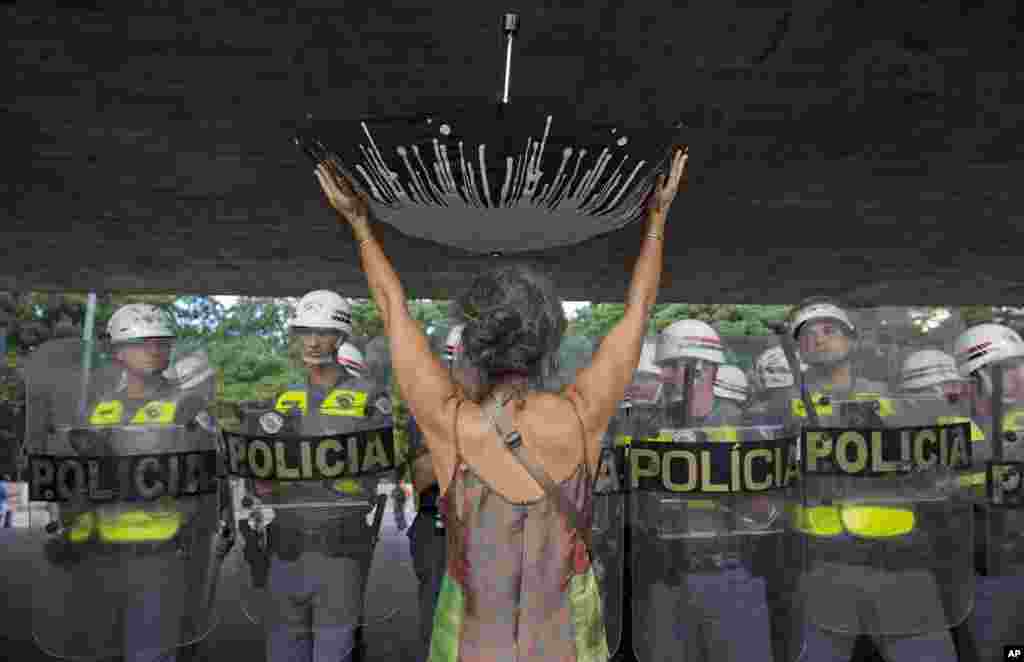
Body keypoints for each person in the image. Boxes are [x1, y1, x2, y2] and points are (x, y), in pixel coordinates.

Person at [313, 146, 689, 660]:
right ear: (549, 343)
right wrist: (657, 217)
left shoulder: (451, 423)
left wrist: (358, 222)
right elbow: (638, 310)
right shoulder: (582, 417)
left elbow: (391, 306)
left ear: (473, 345)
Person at [30, 304, 230, 662]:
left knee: (152, 653)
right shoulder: (98, 411)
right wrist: (69, 526)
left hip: (162, 554)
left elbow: (211, 479)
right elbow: (81, 483)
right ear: (118, 352)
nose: (154, 349)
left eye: (162, 342)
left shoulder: (189, 408)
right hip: (103, 554)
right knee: (101, 649)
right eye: (142, 342)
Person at [780, 298, 960, 662]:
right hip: (821, 569)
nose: (818, 338)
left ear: (852, 341)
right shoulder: (781, 408)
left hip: (900, 567)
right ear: (797, 348)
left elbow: (937, 444)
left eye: (830, 330)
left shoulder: (890, 398)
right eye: (808, 334)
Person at [240, 289, 391, 662]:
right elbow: (264, 478)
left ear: (340, 337)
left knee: (334, 654)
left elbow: (377, 472)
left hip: (340, 550)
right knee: (282, 654)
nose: (312, 341)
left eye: (322, 332)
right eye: (304, 331)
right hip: (285, 548)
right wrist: (259, 478)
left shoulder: (370, 398)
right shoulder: (284, 399)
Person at [952, 323, 1024, 662]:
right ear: (977, 378)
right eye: (1009, 368)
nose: (1022, 376)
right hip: (981, 576)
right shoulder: (951, 431)